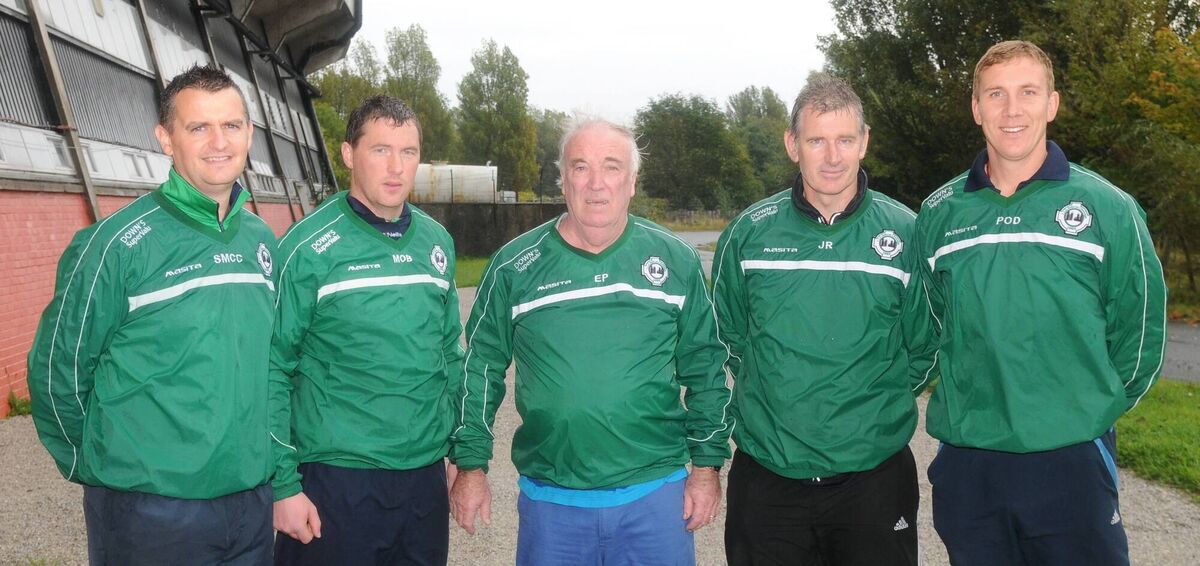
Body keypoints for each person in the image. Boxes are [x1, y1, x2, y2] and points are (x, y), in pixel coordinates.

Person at [914, 40, 1167, 566]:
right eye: (997, 94)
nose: (1013, 110)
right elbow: (933, 322)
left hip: (1070, 458)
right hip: (971, 462)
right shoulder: (940, 213)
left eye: (1028, 92)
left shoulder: (1108, 207)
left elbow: (1139, 332)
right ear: (976, 108)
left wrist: (1088, 410)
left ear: (1051, 103)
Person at [448, 118, 733, 566]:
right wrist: (470, 465)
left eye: (612, 167)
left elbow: (707, 369)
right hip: (552, 503)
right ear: (562, 178)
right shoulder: (513, 268)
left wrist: (706, 468)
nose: (596, 183)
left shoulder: (676, 260)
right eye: (580, 167)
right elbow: (479, 369)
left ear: (633, 181)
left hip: (655, 496)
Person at [26, 64, 276, 565]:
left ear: (249, 133)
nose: (218, 142)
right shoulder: (113, 245)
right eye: (197, 127)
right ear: (165, 138)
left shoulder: (261, 241)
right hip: (150, 514)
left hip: (250, 504)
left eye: (231, 125)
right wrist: (97, 462)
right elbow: (58, 371)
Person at [713, 73, 935, 566]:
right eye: (817, 140)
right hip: (769, 479)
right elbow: (727, 338)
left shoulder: (907, 233)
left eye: (844, 140)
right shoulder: (748, 234)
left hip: (873, 480)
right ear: (793, 144)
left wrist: (867, 405)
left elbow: (923, 344)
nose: (832, 157)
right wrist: (779, 395)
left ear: (864, 142)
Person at [269, 94, 463, 565]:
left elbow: (449, 355)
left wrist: (460, 447)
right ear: (349, 154)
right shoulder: (307, 247)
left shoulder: (437, 243)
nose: (396, 167)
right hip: (337, 480)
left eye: (408, 152)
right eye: (380, 150)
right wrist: (282, 485)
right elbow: (270, 368)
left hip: (422, 480)